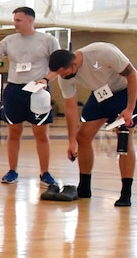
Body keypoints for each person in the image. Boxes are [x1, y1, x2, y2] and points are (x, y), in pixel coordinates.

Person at [46, 44, 137, 207]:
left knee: (123, 138)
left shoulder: (102, 53)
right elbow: (71, 108)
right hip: (102, 94)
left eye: (63, 72)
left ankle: (126, 192)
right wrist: (72, 141)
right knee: (83, 136)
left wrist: (129, 108)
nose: (61, 76)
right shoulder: (64, 77)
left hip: (124, 91)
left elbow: (132, 74)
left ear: (73, 64)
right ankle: (84, 187)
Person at [0, 7, 60, 186]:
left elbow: (59, 66)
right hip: (14, 90)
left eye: (18, 20)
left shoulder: (48, 40)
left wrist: (46, 79)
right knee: (13, 132)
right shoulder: (9, 40)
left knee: (41, 133)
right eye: (14, 20)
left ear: (30, 20)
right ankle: (12, 170)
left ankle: (45, 173)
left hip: (37, 91)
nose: (15, 23)